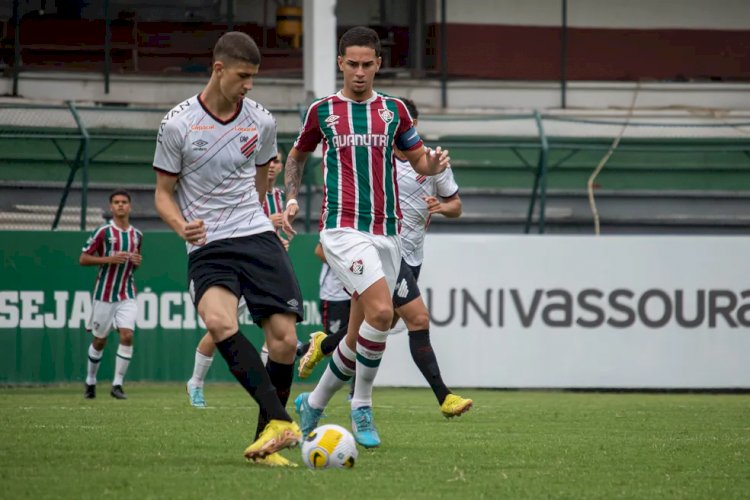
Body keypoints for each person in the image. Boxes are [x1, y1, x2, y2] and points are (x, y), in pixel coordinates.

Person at [282, 26, 451, 448]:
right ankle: (362, 403)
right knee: (381, 313)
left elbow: (418, 162)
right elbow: (297, 155)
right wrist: (289, 198)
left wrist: (432, 166)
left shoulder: (395, 111)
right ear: (341, 64)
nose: (359, 72)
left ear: (378, 64)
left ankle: (314, 404)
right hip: (343, 229)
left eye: (367, 64)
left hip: (387, 233)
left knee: (362, 333)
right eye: (351, 64)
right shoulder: (323, 111)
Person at [153, 31, 301, 465]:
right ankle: (280, 420)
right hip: (208, 244)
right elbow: (162, 193)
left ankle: (267, 441)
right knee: (219, 322)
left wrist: (262, 216)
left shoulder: (262, 121)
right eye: (242, 76)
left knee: (286, 342)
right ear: (218, 70)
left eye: (254, 77)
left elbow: (261, 180)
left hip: (255, 235)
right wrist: (182, 226)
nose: (248, 85)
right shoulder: (177, 124)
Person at [297, 98, 473, 418]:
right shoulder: (374, 159)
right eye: (405, 132)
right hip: (378, 246)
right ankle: (441, 397)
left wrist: (441, 207)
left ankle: (319, 371)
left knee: (367, 331)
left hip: (410, 256)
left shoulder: (431, 163)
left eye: (414, 131)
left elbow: (456, 206)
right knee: (416, 318)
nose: (410, 138)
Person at [185, 153, 289, 410]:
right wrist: (268, 222)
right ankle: (196, 382)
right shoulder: (243, 190)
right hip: (235, 264)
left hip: (263, 266)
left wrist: (279, 242)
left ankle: (269, 393)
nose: (273, 165)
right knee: (219, 328)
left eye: (277, 161)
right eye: (270, 160)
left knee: (277, 330)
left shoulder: (279, 197)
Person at [81, 189, 142, 401]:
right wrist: (108, 259)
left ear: (130, 206)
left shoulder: (137, 235)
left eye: (124, 202)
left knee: (127, 334)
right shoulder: (103, 232)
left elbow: (133, 266)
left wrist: (136, 263)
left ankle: (117, 385)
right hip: (104, 295)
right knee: (99, 340)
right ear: (111, 207)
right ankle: (90, 381)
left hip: (127, 293)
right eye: (116, 202)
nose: (120, 205)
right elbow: (83, 258)